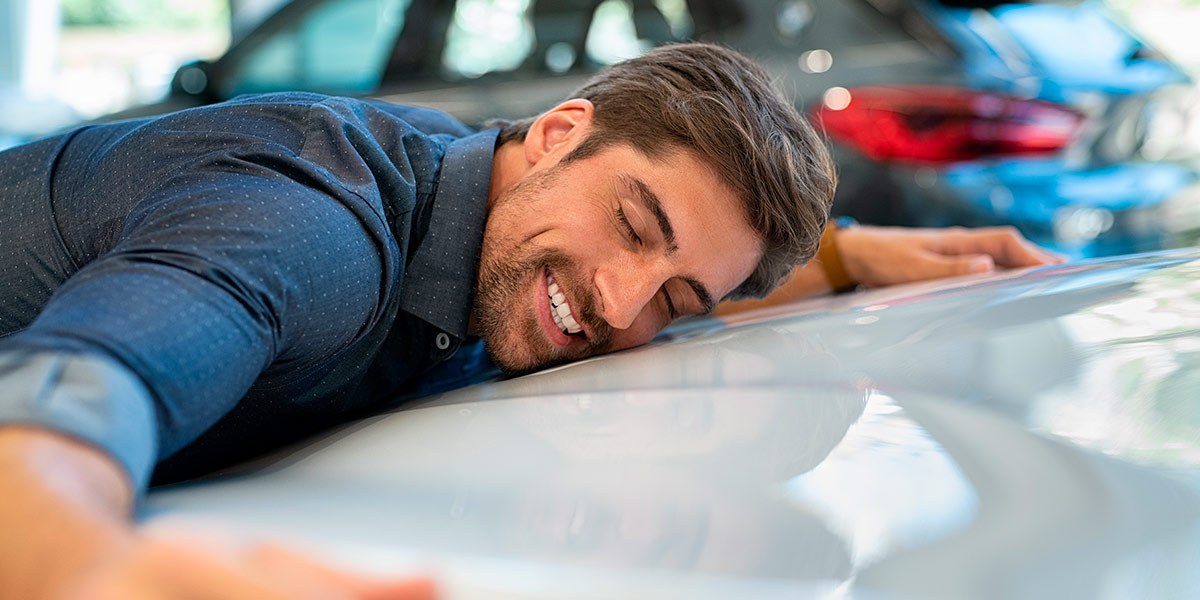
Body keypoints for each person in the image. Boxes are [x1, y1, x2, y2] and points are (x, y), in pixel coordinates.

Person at [0, 43, 1058, 599]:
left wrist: (846, 255)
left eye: (681, 301)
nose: (619, 305)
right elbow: (77, 388)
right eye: (635, 224)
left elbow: (675, 273)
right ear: (559, 133)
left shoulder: (495, 194)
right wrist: (71, 565)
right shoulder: (313, 230)